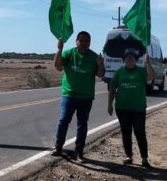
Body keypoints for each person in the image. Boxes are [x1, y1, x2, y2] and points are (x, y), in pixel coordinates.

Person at [51, 31, 105, 161]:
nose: (84, 43)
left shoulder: (93, 57)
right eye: (82, 41)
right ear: (76, 41)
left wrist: (101, 64)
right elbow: (58, 66)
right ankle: (58, 148)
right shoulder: (69, 53)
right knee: (64, 120)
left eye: (87, 41)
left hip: (85, 97)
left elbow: (100, 75)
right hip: (69, 94)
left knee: (82, 124)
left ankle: (79, 152)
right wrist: (59, 50)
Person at [107, 48, 156, 168]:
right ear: (124, 60)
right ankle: (129, 156)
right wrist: (109, 104)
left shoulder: (141, 71)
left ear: (136, 60)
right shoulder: (120, 72)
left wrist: (148, 64)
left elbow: (151, 77)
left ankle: (144, 158)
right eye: (127, 58)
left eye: (132, 58)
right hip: (122, 108)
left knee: (140, 133)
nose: (129, 59)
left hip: (138, 109)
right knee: (126, 132)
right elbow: (112, 88)